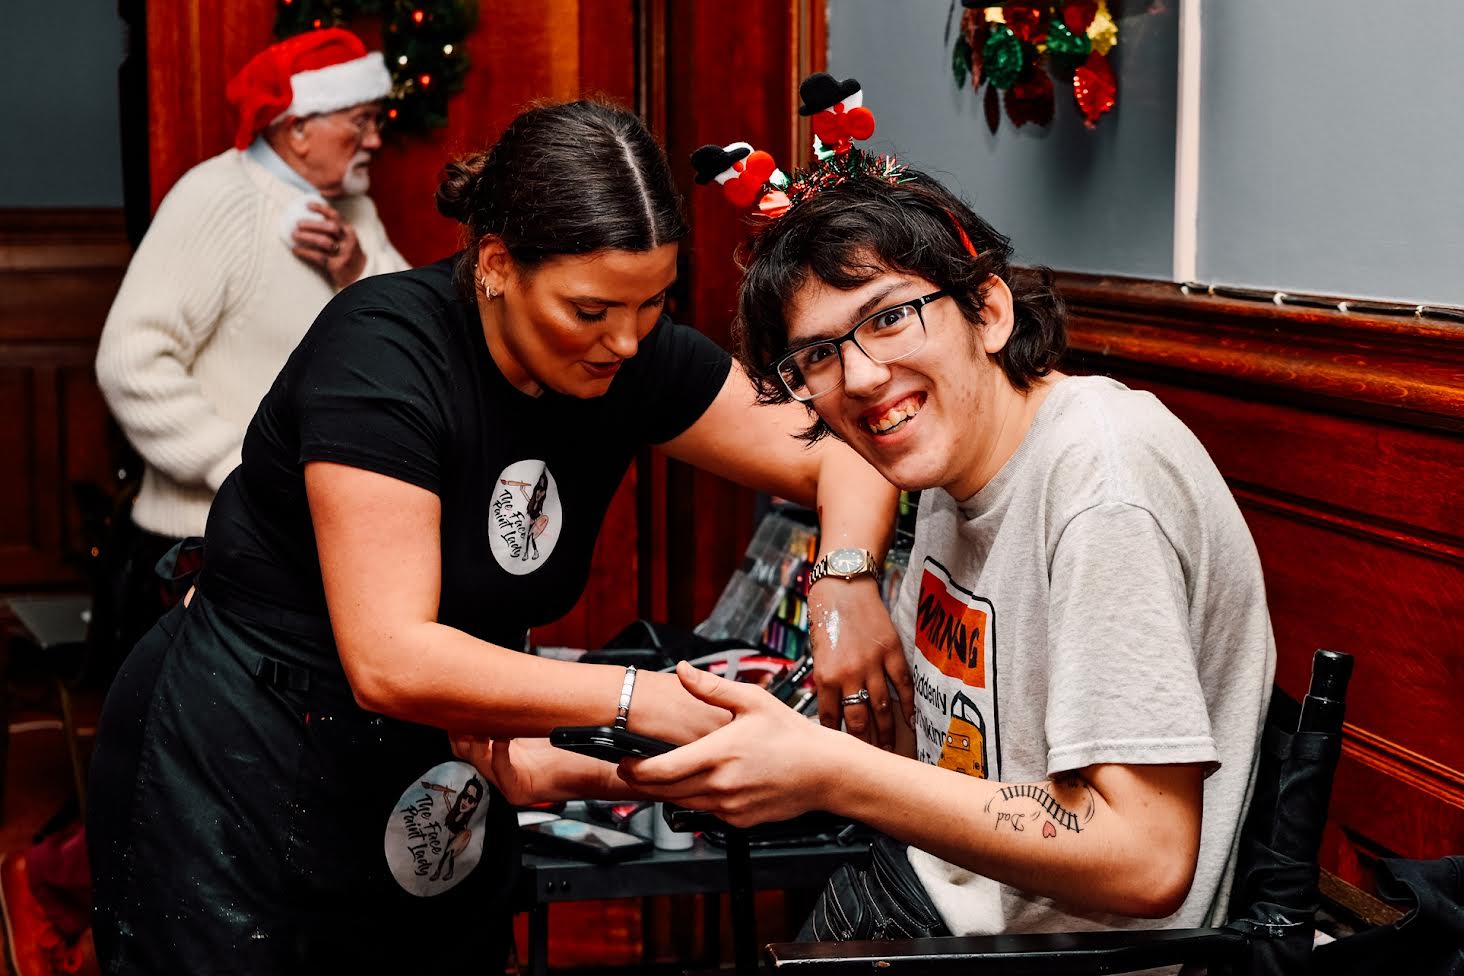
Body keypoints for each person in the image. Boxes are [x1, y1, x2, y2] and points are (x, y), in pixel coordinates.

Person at [86, 98, 906, 973]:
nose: (627, 342)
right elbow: (391, 658)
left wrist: (845, 580)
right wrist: (641, 699)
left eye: (654, 303)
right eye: (590, 310)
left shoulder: (631, 353)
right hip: (247, 750)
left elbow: (844, 452)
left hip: (438, 758)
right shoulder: (383, 352)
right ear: (496, 265)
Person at [470, 128, 1277, 942]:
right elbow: (899, 763)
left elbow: (1145, 859)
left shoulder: (1102, 482)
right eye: (817, 355)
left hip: (1051, 958)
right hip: (940, 903)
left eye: (889, 318)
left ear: (989, 311)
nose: (859, 377)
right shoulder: (951, 469)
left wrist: (828, 772)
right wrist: (602, 767)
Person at [94, 28, 409, 652]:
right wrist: (239, 469)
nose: (375, 140)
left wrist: (356, 271)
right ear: (298, 128)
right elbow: (132, 361)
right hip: (201, 551)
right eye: (360, 121)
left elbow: (408, 342)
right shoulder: (218, 197)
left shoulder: (355, 212)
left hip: (312, 549)